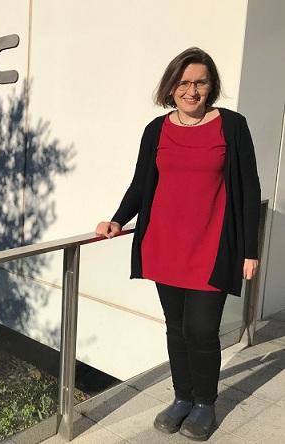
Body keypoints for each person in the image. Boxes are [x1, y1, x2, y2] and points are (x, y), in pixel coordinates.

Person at [95, 47, 261, 441]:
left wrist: (250, 249)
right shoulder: (156, 130)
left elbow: (249, 191)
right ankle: (182, 398)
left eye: (200, 82)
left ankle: (205, 403)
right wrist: (118, 219)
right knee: (176, 328)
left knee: (202, 331)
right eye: (184, 82)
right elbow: (140, 183)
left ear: (211, 86)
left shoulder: (232, 127)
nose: (192, 90)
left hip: (212, 248)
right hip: (164, 246)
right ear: (171, 87)